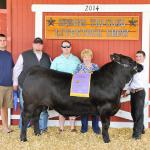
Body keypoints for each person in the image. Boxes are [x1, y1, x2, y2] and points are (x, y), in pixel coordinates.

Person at [13, 37, 51, 133]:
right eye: (36, 43)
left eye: (40, 44)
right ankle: (23, 128)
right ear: (33, 44)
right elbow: (16, 69)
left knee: (42, 110)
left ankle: (42, 129)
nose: (38, 45)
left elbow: (51, 72)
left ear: (42, 45)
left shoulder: (47, 57)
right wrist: (15, 83)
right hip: (26, 87)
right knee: (25, 108)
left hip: (43, 89)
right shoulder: (24, 55)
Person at [50, 40, 80, 132]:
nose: (66, 48)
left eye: (68, 46)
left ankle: (72, 128)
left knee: (72, 106)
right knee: (61, 107)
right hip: (60, 88)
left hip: (73, 87)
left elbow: (80, 73)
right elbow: (51, 74)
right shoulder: (57, 60)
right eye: (64, 47)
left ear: (70, 47)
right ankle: (61, 128)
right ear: (61, 48)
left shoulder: (76, 59)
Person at [74, 48, 100, 134]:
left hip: (94, 91)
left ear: (91, 57)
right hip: (83, 91)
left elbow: (100, 79)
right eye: (85, 57)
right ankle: (84, 127)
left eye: (88, 56)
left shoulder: (95, 66)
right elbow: (74, 76)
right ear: (82, 58)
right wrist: (79, 74)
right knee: (84, 109)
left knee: (95, 109)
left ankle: (95, 127)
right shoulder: (79, 66)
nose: (86, 58)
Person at [123, 50, 146, 139]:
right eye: (136, 56)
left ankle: (137, 135)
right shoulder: (135, 67)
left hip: (139, 92)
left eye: (140, 56)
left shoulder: (142, 67)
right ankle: (142, 128)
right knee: (134, 112)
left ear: (144, 58)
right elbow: (131, 81)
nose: (138, 58)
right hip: (133, 92)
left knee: (138, 113)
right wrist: (128, 91)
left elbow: (133, 78)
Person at [0, 34, 14, 133]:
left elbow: (11, 69)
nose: (3, 42)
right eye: (0, 40)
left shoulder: (9, 54)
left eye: (4, 40)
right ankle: (5, 127)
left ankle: (6, 126)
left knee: (5, 106)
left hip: (8, 84)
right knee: (1, 106)